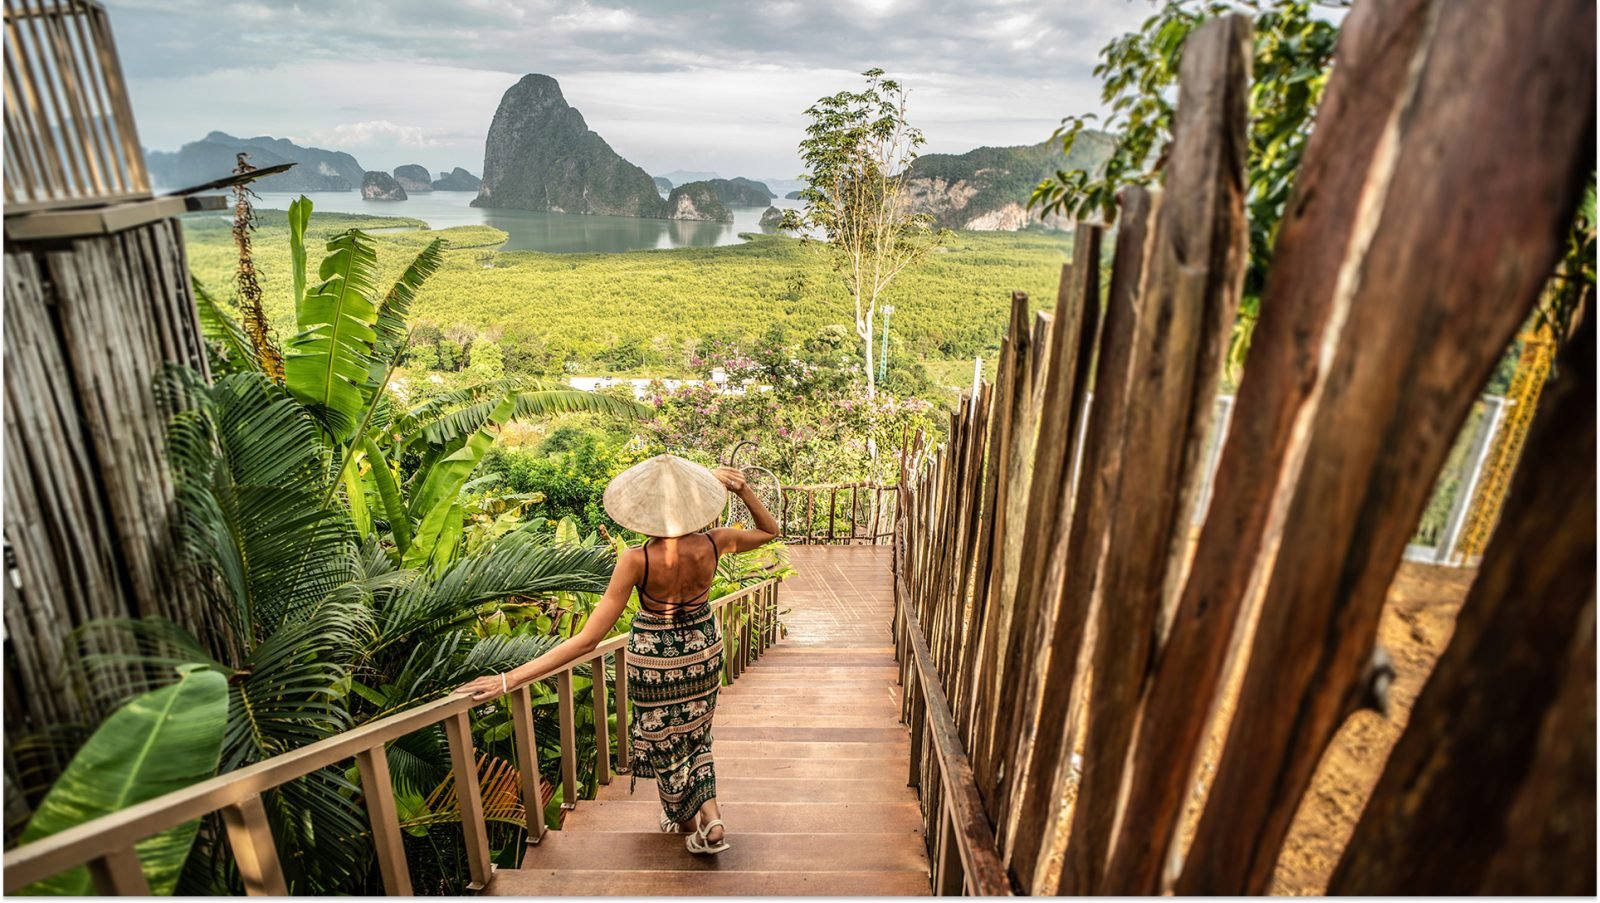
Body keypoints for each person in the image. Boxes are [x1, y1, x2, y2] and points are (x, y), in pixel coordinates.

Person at [458, 454, 779, 855]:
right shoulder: (714, 543)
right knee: (695, 738)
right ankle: (704, 818)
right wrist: (743, 489)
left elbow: (588, 640)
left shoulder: (637, 560)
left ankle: (700, 820)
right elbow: (770, 531)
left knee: (665, 741)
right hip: (702, 654)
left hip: (654, 664)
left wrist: (510, 679)